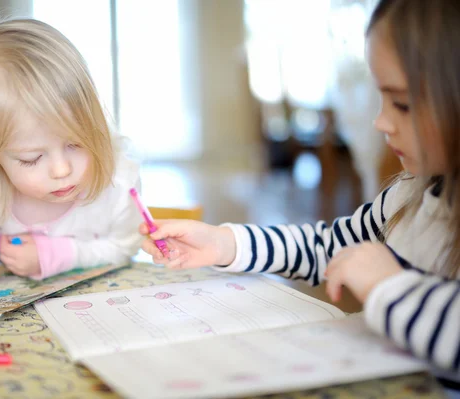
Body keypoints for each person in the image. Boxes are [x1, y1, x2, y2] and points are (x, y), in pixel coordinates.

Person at [140, 0, 460, 385]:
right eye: (381, 98)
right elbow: (326, 246)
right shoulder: (408, 196)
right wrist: (225, 243)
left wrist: (388, 286)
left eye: (403, 104)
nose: (380, 122)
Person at [0, 19, 142, 304]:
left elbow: (125, 247)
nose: (62, 170)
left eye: (76, 143)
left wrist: (59, 254)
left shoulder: (118, 179)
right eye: (31, 159)